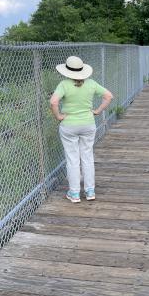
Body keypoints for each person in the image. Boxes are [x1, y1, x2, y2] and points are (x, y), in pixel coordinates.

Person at [50, 56, 113, 203]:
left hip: (69, 125)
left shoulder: (64, 84)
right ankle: (90, 191)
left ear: (67, 71)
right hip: (88, 124)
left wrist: (59, 116)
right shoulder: (91, 83)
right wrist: (97, 111)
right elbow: (109, 96)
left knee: (72, 159)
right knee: (87, 157)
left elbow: (53, 102)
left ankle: (74, 193)